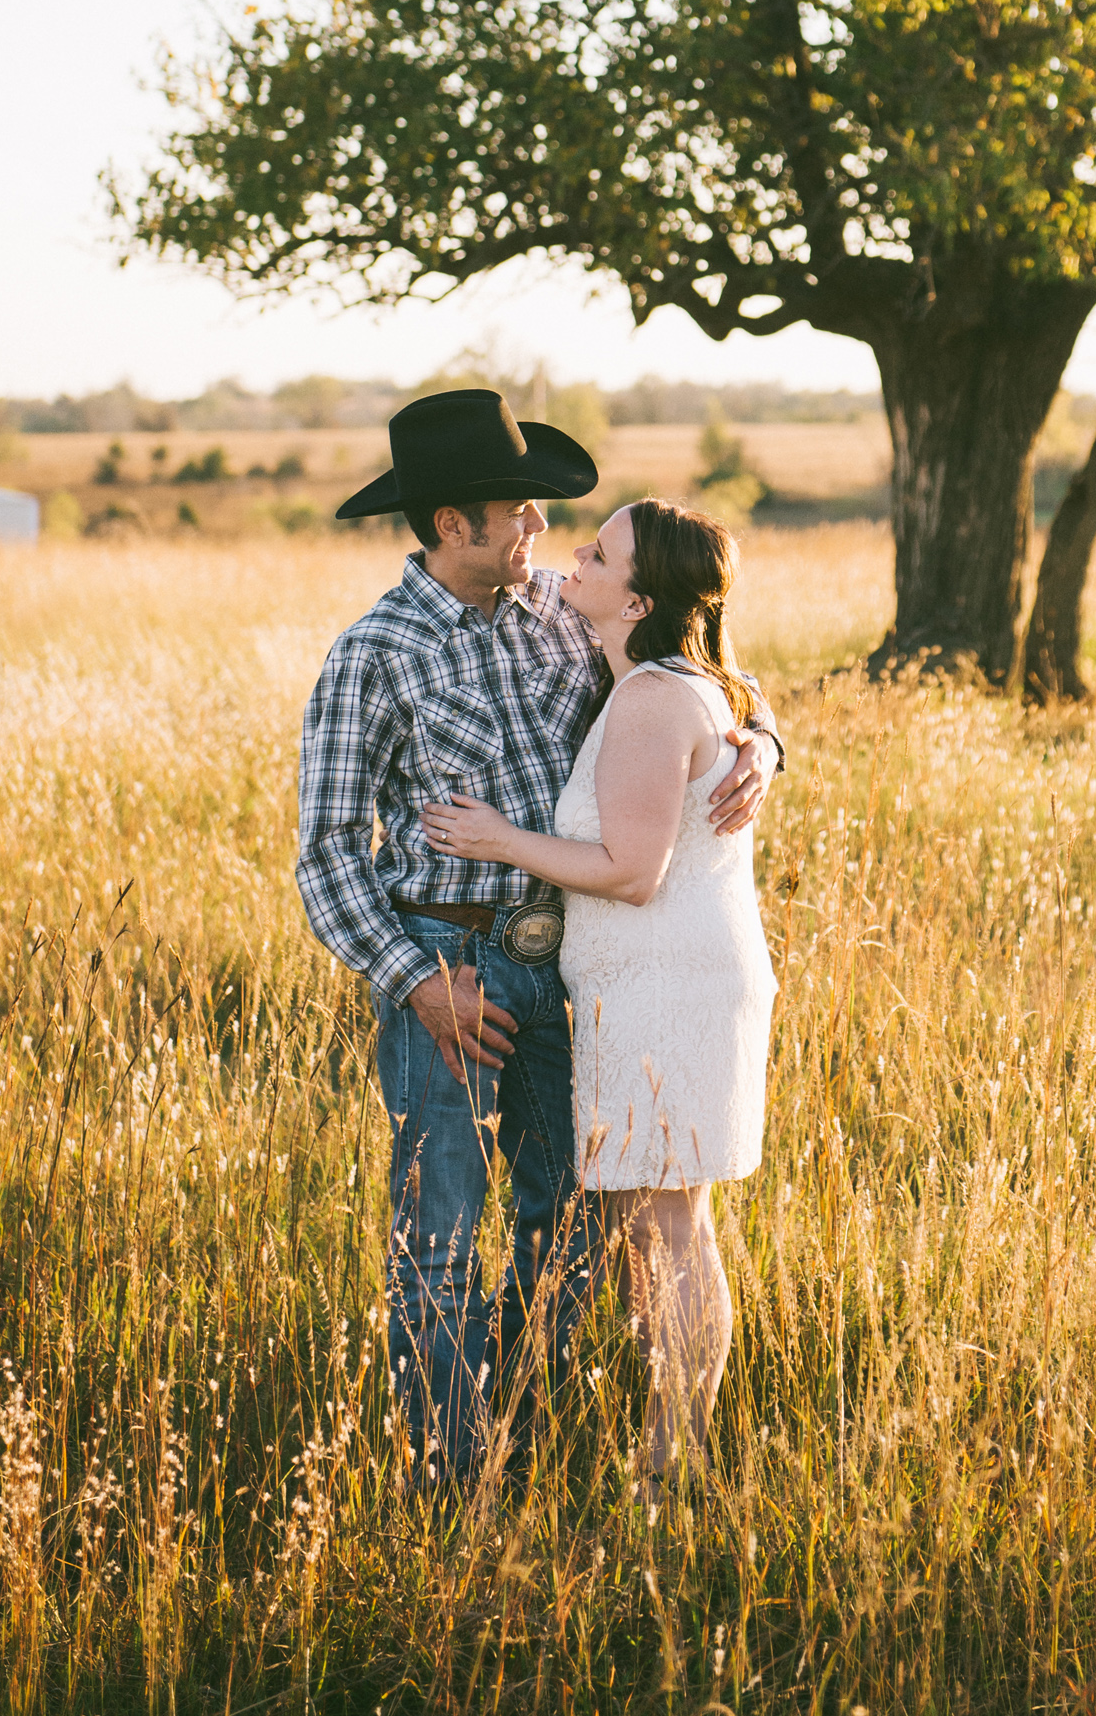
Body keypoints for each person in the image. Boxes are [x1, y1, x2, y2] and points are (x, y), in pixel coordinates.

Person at [297, 390, 780, 1489]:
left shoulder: (561, 612)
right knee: (442, 1230)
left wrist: (760, 736)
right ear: (450, 522)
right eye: (516, 511)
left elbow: (683, 668)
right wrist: (418, 980)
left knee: (569, 1221)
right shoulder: (375, 652)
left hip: (568, 966)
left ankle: (531, 1423)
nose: (539, 530)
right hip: (449, 964)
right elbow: (327, 852)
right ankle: (452, 1474)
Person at [422, 499, 776, 1491]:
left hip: (672, 983)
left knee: (667, 1221)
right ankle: (667, 1441)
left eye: (598, 551)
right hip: (649, 982)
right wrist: (760, 737)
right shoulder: (657, 677)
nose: (571, 556)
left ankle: (676, 1457)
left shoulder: (654, 696)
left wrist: (496, 837)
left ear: (637, 596)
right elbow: (736, 693)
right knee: (644, 1218)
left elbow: (630, 869)